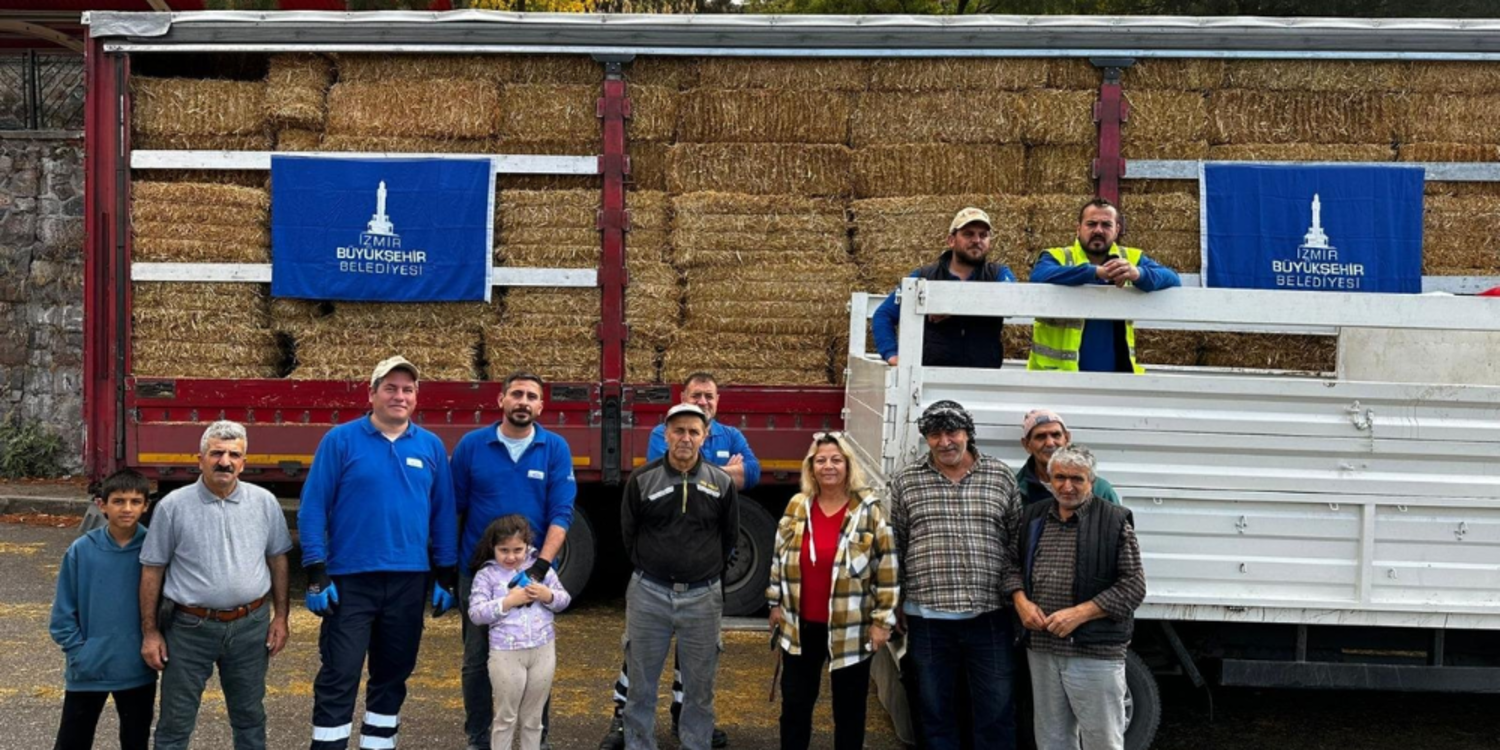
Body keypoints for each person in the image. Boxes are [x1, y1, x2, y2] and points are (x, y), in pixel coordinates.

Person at [300, 356, 459, 750]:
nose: (399, 396)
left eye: (407, 389)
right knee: (340, 673)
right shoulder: (340, 440)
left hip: (408, 580)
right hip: (350, 580)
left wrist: (445, 573)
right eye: (390, 388)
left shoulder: (431, 446)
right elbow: (313, 507)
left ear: (416, 398)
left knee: (392, 675)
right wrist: (316, 572)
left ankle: (378, 745)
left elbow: (443, 512)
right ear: (371, 394)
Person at [600, 371, 755, 750]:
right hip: (650, 592)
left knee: (700, 690)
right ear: (665, 434)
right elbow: (629, 533)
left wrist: (703, 571)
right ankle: (638, 743)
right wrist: (655, 569)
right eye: (678, 431)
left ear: (706, 436)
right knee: (641, 685)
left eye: (694, 432)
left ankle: (695, 743)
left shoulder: (718, 485)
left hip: (703, 596)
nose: (685, 438)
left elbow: (728, 535)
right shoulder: (642, 480)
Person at [138, 421, 293, 750]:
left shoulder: (264, 502)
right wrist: (150, 633)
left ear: (244, 462)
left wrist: (281, 617)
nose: (225, 461)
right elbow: (153, 570)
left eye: (234, 454)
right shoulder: (172, 506)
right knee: (175, 722)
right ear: (200, 459)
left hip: (250, 627)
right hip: (189, 628)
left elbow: (278, 560)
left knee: (250, 717)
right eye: (216, 453)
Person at [451, 371, 576, 750]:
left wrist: (540, 569)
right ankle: (478, 738)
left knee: (536, 658)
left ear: (541, 406)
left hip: (529, 573)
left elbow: (561, 513)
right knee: (477, 660)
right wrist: (444, 569)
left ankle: (537, 738)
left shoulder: (555, 448)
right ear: (501, 399)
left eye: (531, 396)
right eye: (516, 394)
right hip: (479, 575)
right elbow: (451, 509)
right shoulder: (473, 445)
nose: (523, 401)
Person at [888, 400, 1020, 750]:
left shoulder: (1000, 475)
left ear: (968, 434)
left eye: (952, 432)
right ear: (925, 439)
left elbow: (1016, 542)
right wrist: (896, 601)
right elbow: (896, 544)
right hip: (927, 618)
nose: (945, 441)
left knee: (996, 711)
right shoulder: (906, 481)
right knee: (935, 714)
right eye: (935, 434)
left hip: (989, 615)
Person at [1004, 445, 1146, 750]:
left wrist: (1079, 614)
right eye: (1060, 478)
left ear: (1092, 481)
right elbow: (1010, 566)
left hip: (1094, 650)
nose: (1067, 486)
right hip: (1042, 647)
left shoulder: (1115, 521)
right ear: (1050, 480)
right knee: (1052, 739)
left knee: (1102, 740)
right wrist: (1021, 603)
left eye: (1077, 479)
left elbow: (1133, 586)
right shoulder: (1033, 517)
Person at [766, 432, 898, 750]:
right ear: (811, 467)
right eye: (821, 460)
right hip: (800, 626)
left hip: (850, 628)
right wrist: (774, 603)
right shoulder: (798, 505)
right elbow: (778, 557)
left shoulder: (868, 510)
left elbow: (887, 569)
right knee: (795, 708)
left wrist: (882, 621)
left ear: (848, 466)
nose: (828, 466)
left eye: (836, 460)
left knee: (850, 711)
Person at [49, 469, 157, 750]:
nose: (127, 508)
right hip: (88, 670)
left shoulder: (154, 551)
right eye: (119, 501)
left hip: (136, 668)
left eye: (135, 501)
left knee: (135, 741)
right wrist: (79, 653)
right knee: (72, 741)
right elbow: (62, 613)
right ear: (102, 505)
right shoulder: (81, 550)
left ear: (146, 506)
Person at [1029, 197, 1182, 373]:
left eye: (1106, 225)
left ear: (1117, 230)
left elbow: (1173, 279)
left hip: (1118, 378)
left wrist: (1139, 274)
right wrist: (1094, 272)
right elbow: (1038, 276)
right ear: (1078, 229)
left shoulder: (1132, 258)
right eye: (1091, 224)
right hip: (1058, 377)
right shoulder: (1057, 256)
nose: (1098, 230)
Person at [467, 514, 572, 750]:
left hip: (543, 650)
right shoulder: (487, 575)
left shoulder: (541, 572)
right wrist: (507, 601)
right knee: (506, 716)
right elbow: (475, 613)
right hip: (506, 653)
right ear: (492, 548)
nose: (511, 556)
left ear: (528, 546)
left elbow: (564, 600)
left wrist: (548, 596)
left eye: (518, 549)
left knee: (534, 719)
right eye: (504, 550)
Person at [872, 207, 1018, 368]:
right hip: (931, 382)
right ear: (951, 240)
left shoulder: (999, 274)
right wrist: (892, 354)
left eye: (983, 235)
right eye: (968, 234)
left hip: (983, 381)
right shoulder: (924, 277)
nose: (977, 240)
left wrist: (950, 305)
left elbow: (1010, 300)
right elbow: (884, 315)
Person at [1016, 409, 1121, 506]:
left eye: (1056, 435)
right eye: (1040, 437)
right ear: (1026, 444)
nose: (1050, 443)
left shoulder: (1100, 489)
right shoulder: (1016, 489)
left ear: (1067, 439)